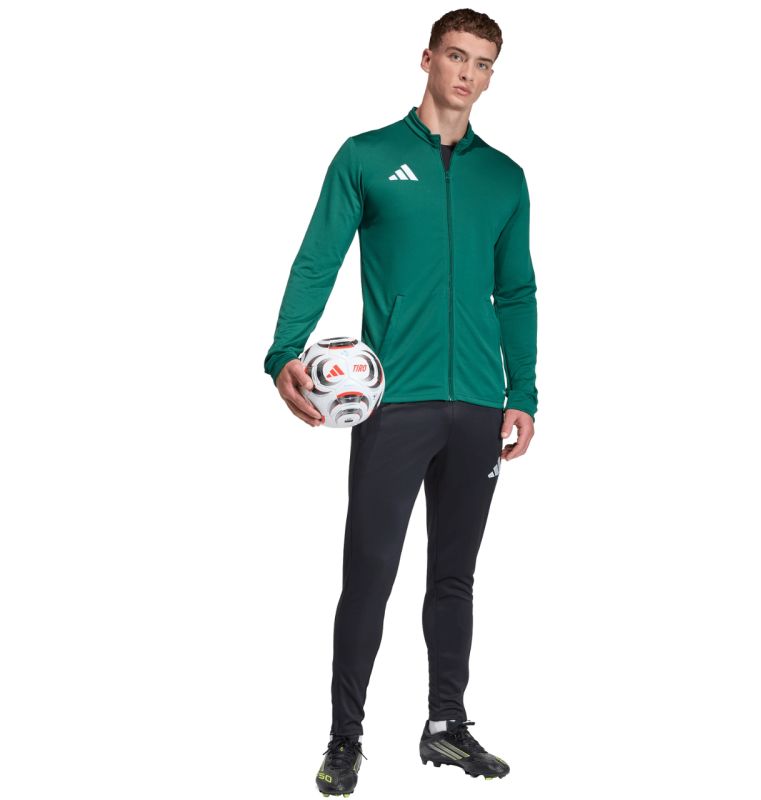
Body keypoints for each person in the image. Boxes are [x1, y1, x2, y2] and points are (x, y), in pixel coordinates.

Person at [263, 9, 537, 796]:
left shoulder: (505, 177)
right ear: (427, 59)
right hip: (394, 405)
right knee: (370, 574)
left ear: (491, 75)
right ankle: (345, 737)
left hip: (478, 405)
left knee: (455, 577)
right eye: (456, 56)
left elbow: (517, 291)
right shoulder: (368, 157)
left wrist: (522, 390)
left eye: (482, 63)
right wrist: (284, 352)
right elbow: (317, 259)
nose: (468, 73)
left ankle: (446, 726)